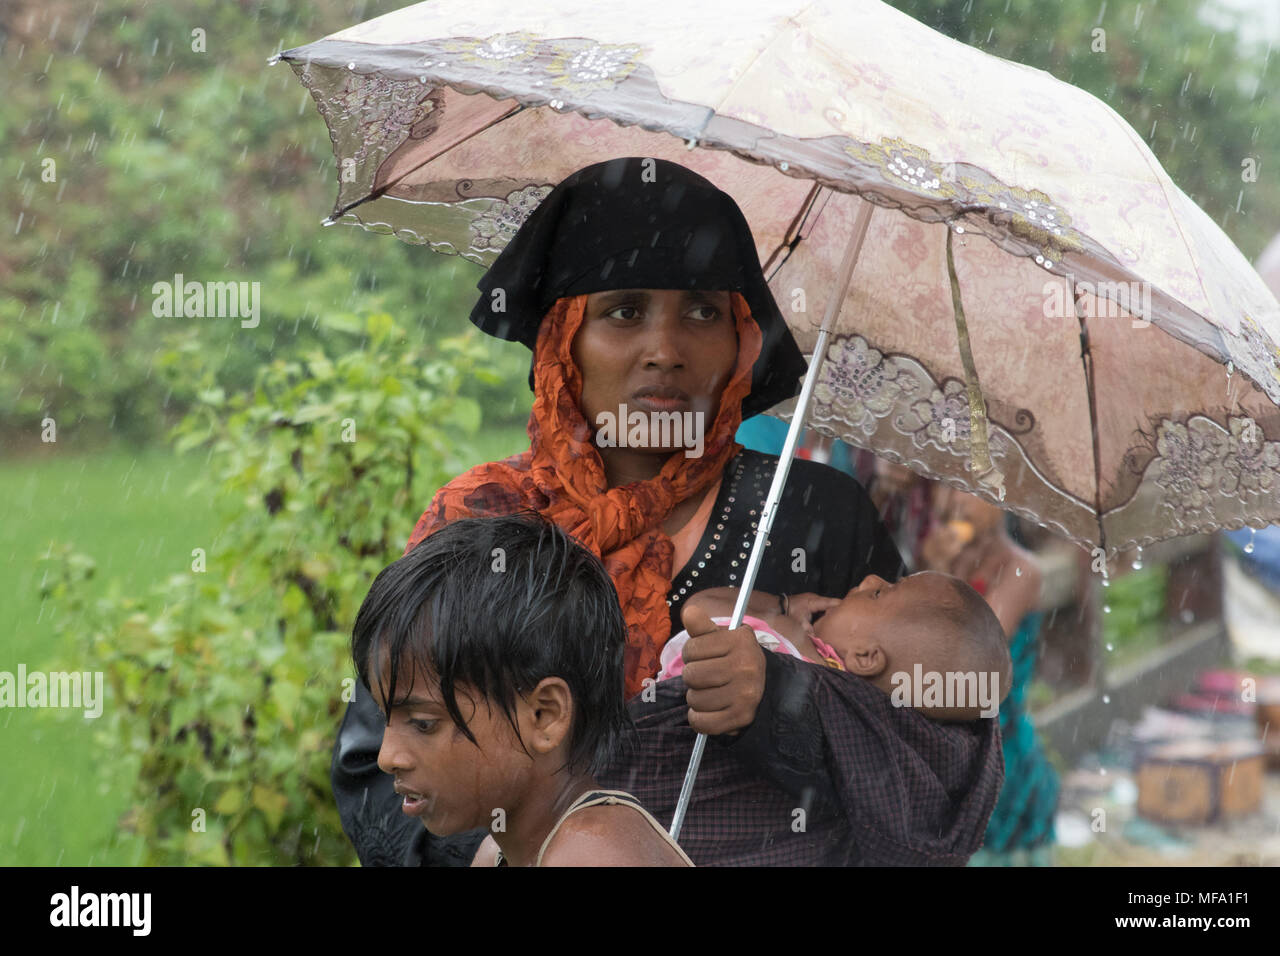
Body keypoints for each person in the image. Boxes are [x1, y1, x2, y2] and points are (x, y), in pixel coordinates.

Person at [331, 157, 1000, 867]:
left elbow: (939, 768)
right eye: (624, 311)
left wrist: (789, 704)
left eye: (704, 313)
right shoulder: (483, 521)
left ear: (741, 341)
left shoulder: (813, 514)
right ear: (564, 341)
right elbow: (378, 770)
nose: (667, 350)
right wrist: (518, 850)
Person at [351, 512, 692, 867]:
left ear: (545, 715)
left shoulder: (592, 855)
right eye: (385, 718)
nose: (387, 757)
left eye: (423, 723)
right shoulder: (496, 853)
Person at [917, 483, 1057, 865]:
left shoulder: (1020, 570)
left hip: (998, 741)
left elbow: (973, 649)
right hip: (947, 743)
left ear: (1003, 500)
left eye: (970, 491)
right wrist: (934, 570)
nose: (956, 501)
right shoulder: (943, 560)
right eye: (947, 488)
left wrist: (940, 575)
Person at [663, 571, 1012, 722]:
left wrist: (780, 606)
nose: (869, 579)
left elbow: (701, 606)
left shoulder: (790, 648)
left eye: (879, 593)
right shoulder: (859, 722)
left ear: (865, 657)